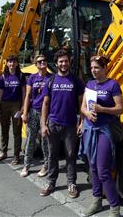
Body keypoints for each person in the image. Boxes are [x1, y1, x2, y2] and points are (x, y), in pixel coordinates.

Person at [80, 56, 123, 217]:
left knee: (103, 170)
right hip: (89, 129)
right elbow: (83, 107)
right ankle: (97, 202)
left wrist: (101, 109)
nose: (93, 70)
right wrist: (87, 114)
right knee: (92, 168)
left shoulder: (113, 85)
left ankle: (114, 208)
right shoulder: (90, 84)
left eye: (97, 67)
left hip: (105, 130)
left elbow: (120, 109)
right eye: (92, 68)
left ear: (105, 68)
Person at [39, 49, 84, 199]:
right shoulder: (50, 81)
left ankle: (71, 183)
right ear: (57, 63)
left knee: (71, 155)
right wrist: (43, 125)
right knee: (52, 155)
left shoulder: (76, 80)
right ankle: (51, 182)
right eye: (61, 61)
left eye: (66, 61)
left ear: (69, 62)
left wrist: (82, 122)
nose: (64, 64)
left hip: (70, 124)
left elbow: (81, 102)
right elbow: (45, 103)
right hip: (53, 123)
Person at [20, 54, 52, 178]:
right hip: (33, 112)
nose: (42, 63)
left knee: (45, 141)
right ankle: (26, 165)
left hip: (47, 113)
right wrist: (25, 113)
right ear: (36, 65)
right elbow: (28, 96)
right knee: (30, 140)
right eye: (39, 62)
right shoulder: (32, 78)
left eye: (44, 60)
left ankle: (46, 165)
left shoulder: (51, 78)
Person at [0, 54, 25, 165]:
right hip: (4, 105)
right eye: (10, 62)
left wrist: (23, 107)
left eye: (14, 61)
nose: (12, 64)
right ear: (7, 63)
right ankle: (4, 152)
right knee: (4, 130)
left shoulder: (21, 76)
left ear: (17, 63)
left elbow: (24, 92)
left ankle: (16, 155)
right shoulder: (3, 76)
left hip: (16, 104)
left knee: (17, 131)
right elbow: (0, 92)